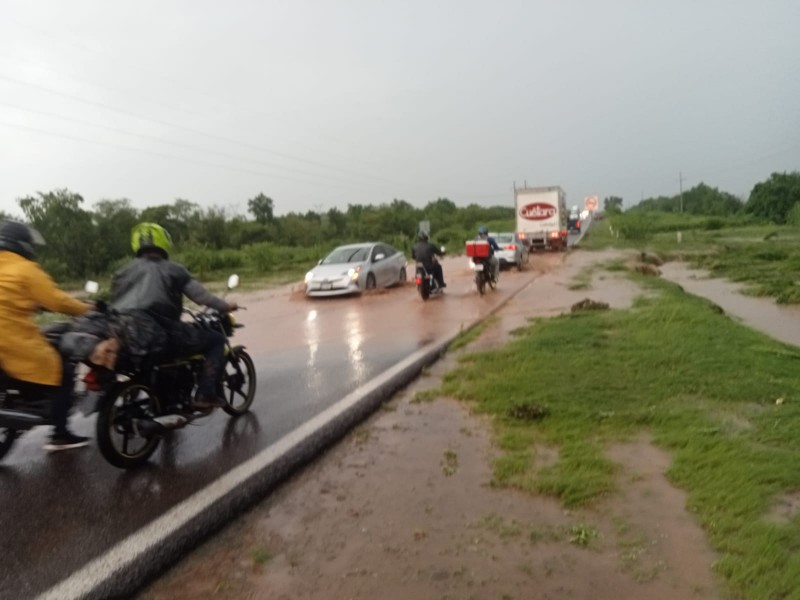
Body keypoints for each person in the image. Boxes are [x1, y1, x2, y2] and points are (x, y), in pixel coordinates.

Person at [110, 223, 238, 410]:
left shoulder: (122, 272)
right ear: (163, 242)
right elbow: (201, 296)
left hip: (123, 335)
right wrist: (227, 306)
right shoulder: (173, 269)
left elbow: (115, 302)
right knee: (216, 340)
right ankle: (205, 394)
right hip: (159, 332)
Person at [0, 220, 94, 450]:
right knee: (64, 372)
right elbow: (57, 300)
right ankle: (60, 433)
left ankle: (25, 398)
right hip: (11, 339)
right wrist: (87, 308)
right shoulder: (25, 269)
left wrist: (32, 305)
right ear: (20, 244)